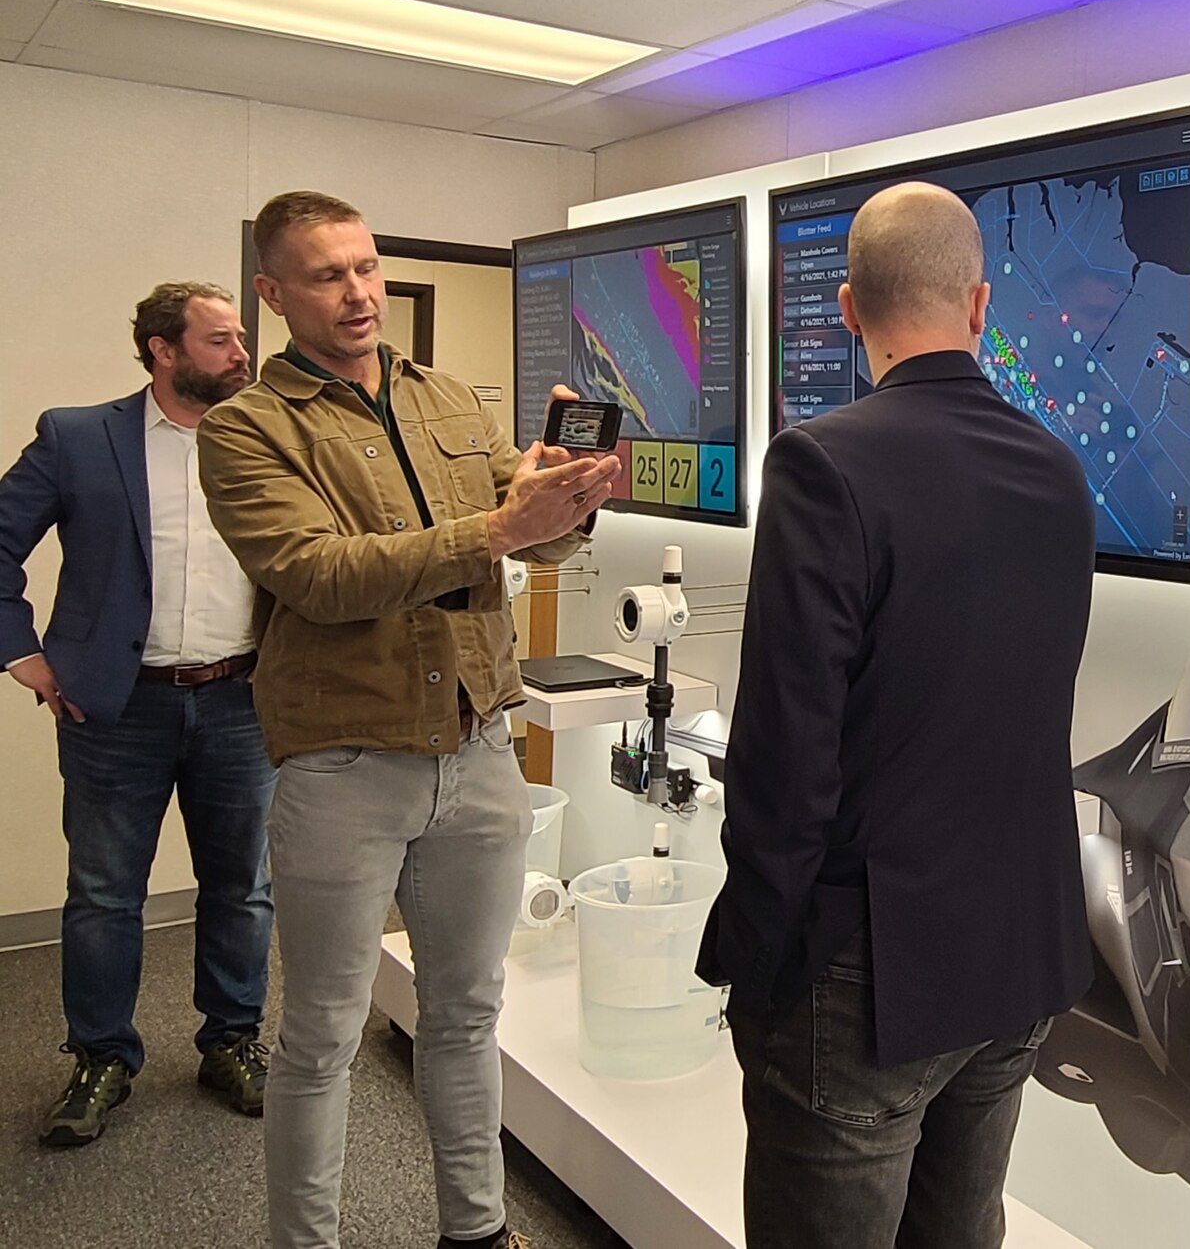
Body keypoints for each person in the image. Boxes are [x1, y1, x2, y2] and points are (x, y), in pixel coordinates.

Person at [197, 191, 618, 1249]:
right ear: (273, 291)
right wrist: (496, 525)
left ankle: (474, 1231)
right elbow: (317, 575)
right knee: (322, 1035)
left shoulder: (447, 402)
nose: (358, 293)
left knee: (467, 1016)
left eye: (367, 268)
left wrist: (564, 503)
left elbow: (529, 545)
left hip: (477, 749)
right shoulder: (250, 427)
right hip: (343, 764)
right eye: (328, 275)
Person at [698, 182, 1098, 1249]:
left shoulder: (822, 463)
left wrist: (758, 959)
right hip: (1018, 950)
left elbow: (787, 751)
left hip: (867, 967)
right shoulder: (1059, 472)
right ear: (979, 306)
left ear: (844, 307)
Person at [0, 282, 274, 1148]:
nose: (241, 354)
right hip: (114, 707)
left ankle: (230, 1040)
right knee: (104, 896)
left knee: (242, 887)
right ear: (162, 349)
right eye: (221, 340)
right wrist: (24, 654)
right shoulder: (77, 436)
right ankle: (101, 1058)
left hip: (241, 699)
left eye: (241, 338)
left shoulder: (271, 438)